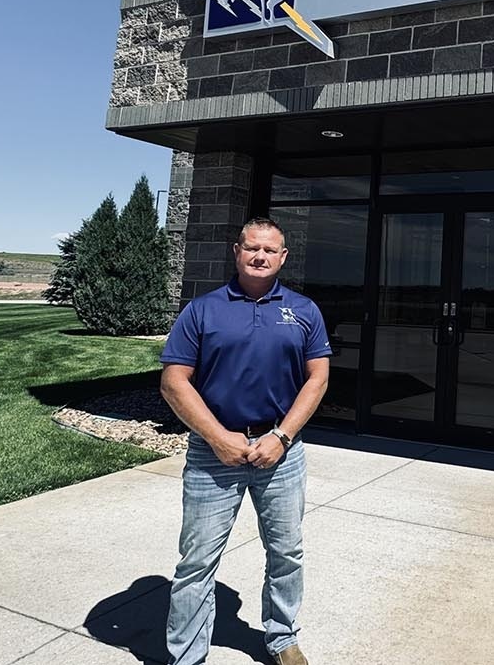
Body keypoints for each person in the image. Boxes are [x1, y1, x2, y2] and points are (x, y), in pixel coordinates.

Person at [158, 217, 331, 665]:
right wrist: (217, 438)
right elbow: (174, 381)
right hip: (213, 455)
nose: (260, 256)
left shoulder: (304, 310)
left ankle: (282, 638)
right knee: (197, 561)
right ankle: (186, 655)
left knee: (286, 552)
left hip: (281, 454)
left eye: (270, 250)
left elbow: (317, 379)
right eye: (252, 247)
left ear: (283, 257)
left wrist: (282, 436)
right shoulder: (203, 310)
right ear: (236, 251)